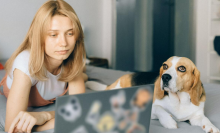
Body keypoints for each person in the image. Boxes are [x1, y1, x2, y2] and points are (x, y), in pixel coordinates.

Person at [0, 0, 88, 132]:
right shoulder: (25, 65)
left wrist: (45, 115)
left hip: (55, 83)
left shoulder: (72, 57)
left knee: (82, 74)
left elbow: (79, 110)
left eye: (70, 33)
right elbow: (13, 129)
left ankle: (85, 75)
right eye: (54, 35)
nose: (63, 43)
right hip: (13, 84)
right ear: (39, 36)